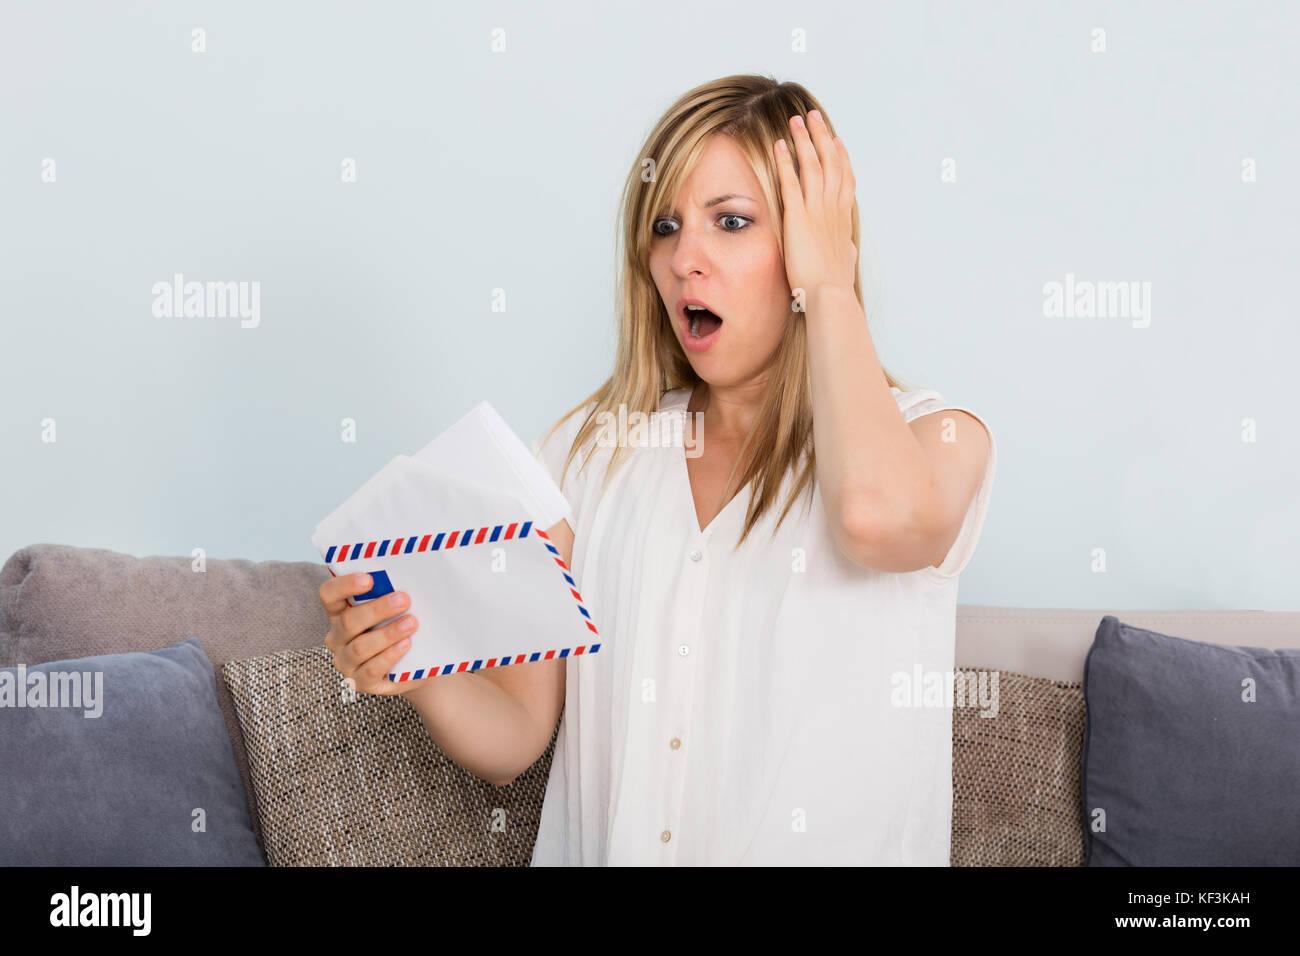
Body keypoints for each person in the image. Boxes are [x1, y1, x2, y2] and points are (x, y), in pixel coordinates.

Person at [321, 74, 995, 865]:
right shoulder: (586, 451)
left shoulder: (941, 440)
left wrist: (829, 286)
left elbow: (875, 520)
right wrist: (411, 663)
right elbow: (516, 734)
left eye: (732, 222)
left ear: (814, 242)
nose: (685, 260)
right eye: (666, 227)